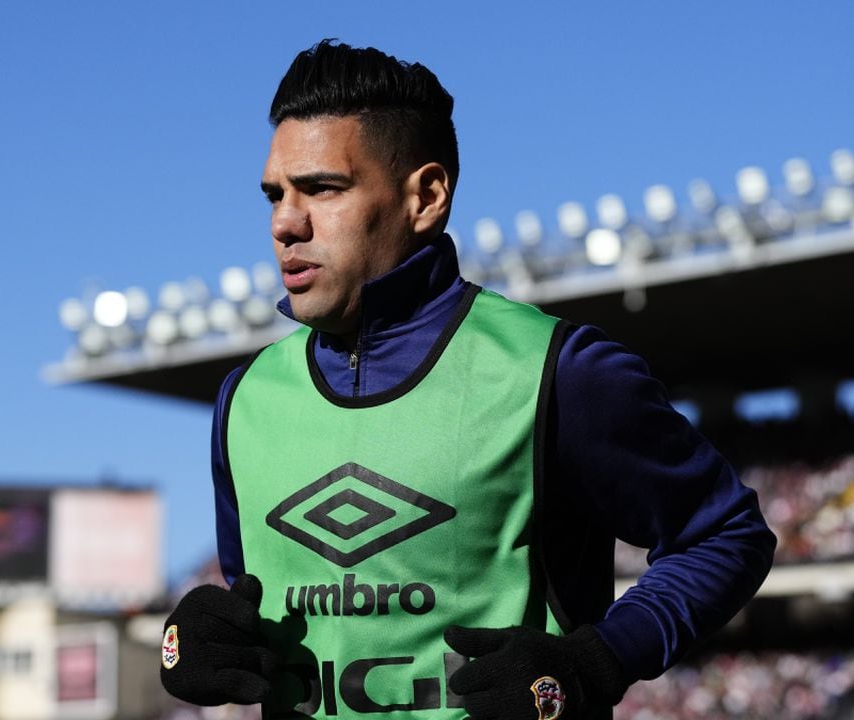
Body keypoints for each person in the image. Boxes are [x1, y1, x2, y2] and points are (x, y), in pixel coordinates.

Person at [159, 40, 775, 720]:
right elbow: (247, 603)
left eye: (323, 189)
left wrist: (593, 663)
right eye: (276, 194)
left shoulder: (553, 369)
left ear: (425, 196)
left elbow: (726, 536)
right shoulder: (245, 400)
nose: (285, 222)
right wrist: (194, 643)